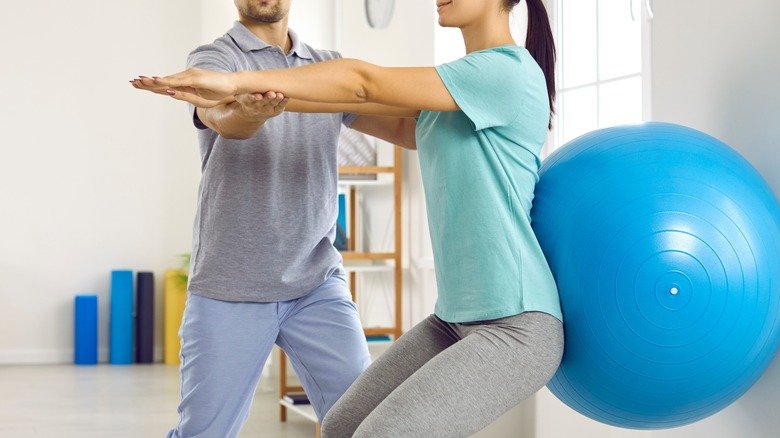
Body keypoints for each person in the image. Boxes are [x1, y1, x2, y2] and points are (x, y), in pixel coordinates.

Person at [134, 0, 563, 436]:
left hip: (512, 317)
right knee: (342, 426)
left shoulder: (503, 72)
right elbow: (259, 113)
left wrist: (234, 82)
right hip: (452, 317)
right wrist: (240, 102)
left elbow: (363, 85)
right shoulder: (454, 86)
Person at [130, 1, 422, 436]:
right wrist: (248, 113)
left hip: (316, 283)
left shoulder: (327, 68)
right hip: (230, 287)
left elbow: (405, 131)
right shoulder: (215, 58)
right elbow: (223, 120)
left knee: (363, 423)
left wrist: (473, 109)